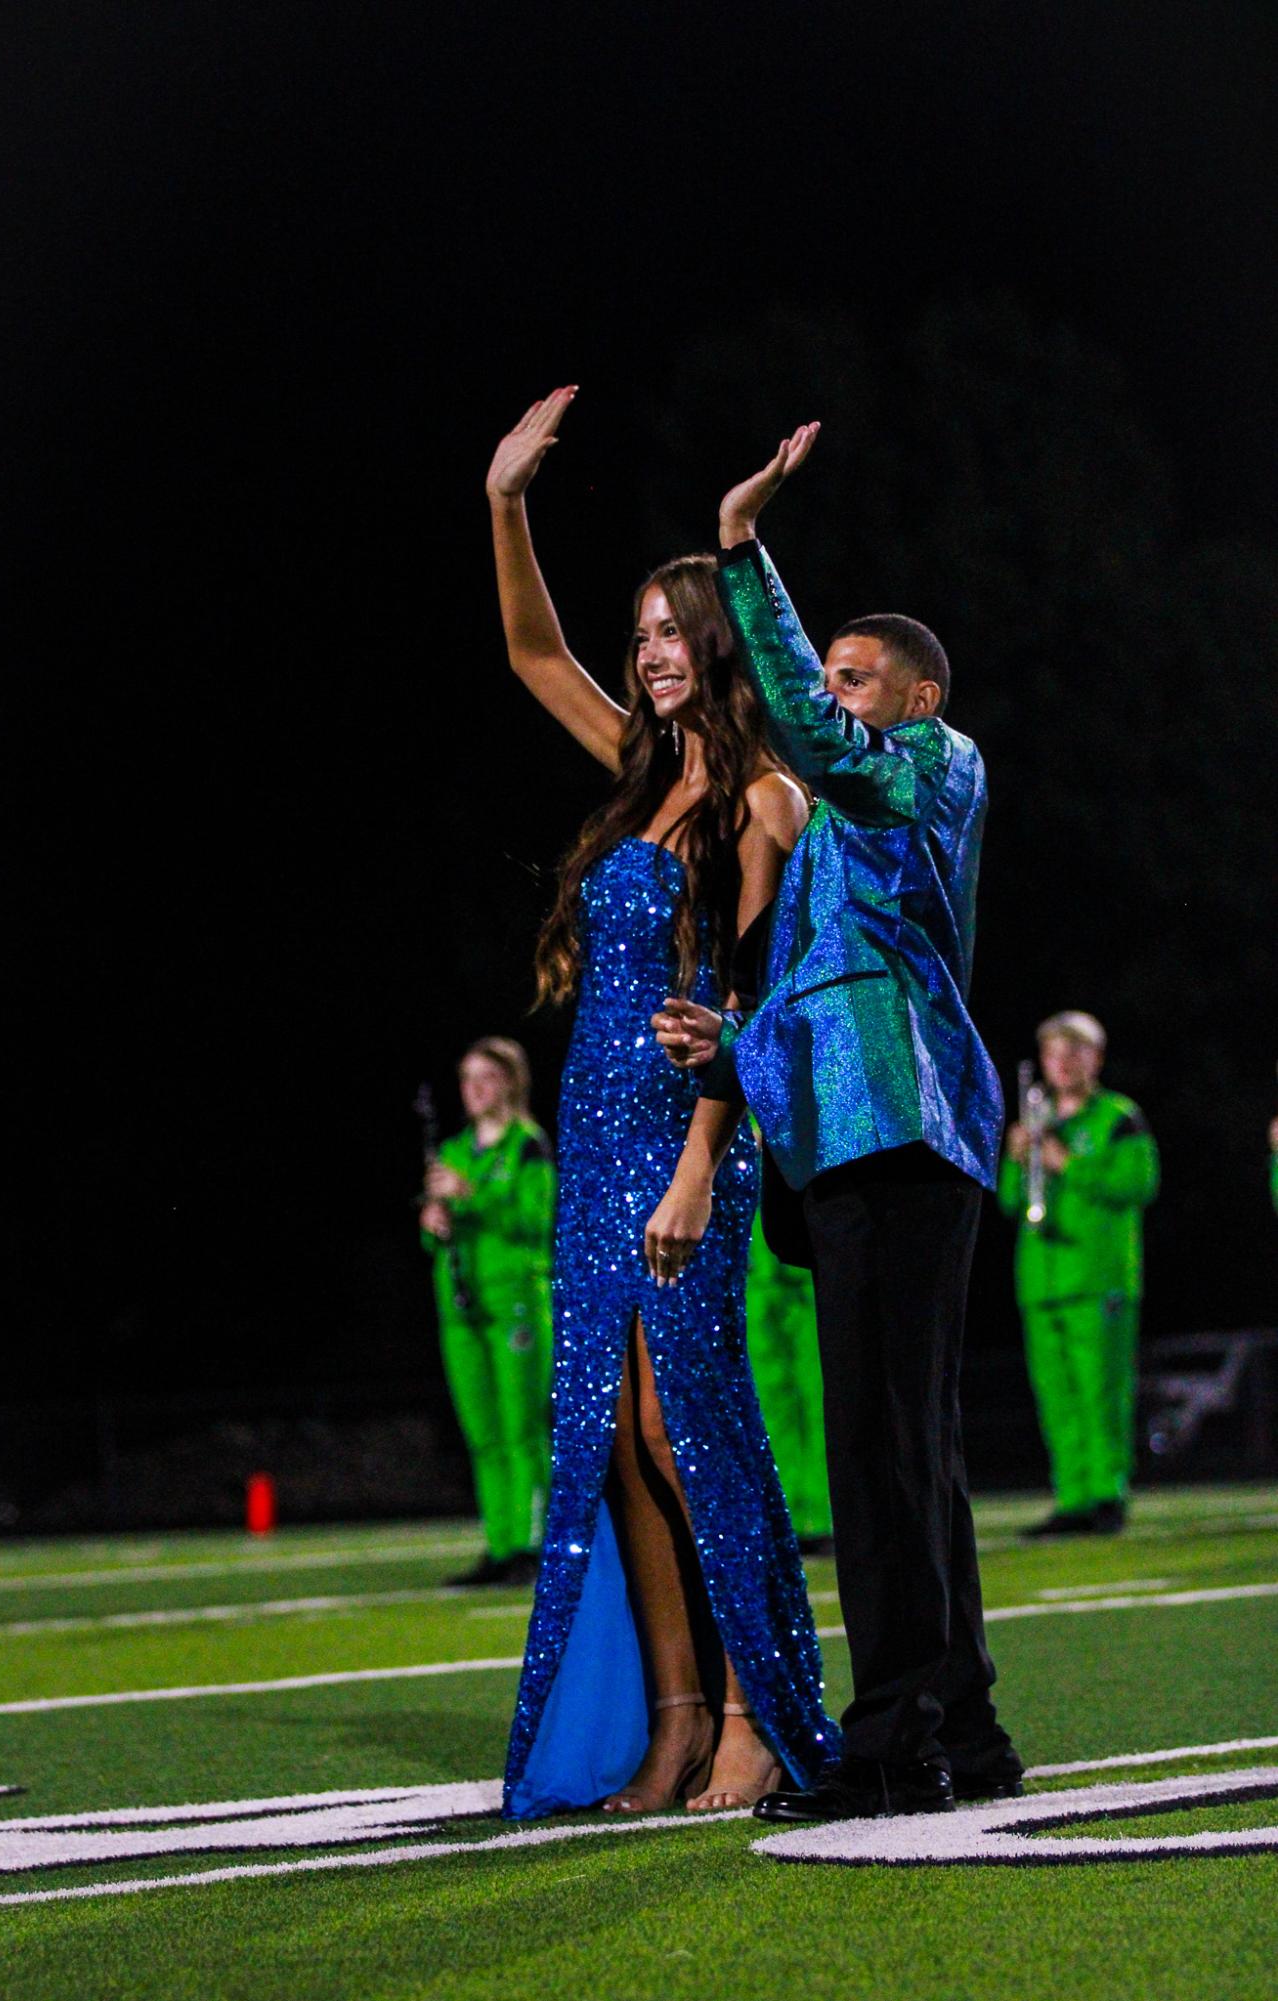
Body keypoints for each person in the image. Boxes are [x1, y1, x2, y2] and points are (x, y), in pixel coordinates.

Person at [654, 421, 1022, 1822]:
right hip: (861, 1134)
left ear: (914, 693)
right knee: (903, 1446)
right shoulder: (841, 842)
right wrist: (733, 1044)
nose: (834, 700)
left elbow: (808, 725)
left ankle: (892, 1743)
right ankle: (959, 1727)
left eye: (857, 680)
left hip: (900, 1129)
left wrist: (742, 550)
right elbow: (818, 992)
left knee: (881, 1448)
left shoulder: (932, 762)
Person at [486, 388, 833, 1821]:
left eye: (670, 631)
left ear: (719, 641)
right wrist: (504, 499)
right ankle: (677, 1722)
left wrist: (700, 1166)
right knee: (613, 1436)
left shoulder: (763, 799)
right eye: (639, 637)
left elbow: (745, 1003)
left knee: (692, 1427)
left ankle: (759, 1719)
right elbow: (528, 650)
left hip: (692, 1143)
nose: (647, 655)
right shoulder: (636, 782)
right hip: (592, 1134)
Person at [998, 1011, 1160, 1537]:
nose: (1064, 1063)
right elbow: (1008, 1203)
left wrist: (1069, 1163)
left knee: (1102, 1392)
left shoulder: (1118, 1117)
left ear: (1097, 1058)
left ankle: (1106, 1494)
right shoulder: (1037, 1122)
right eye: (1054, 1053)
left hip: (1098, 1279)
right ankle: (1071, 1498)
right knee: (1057, 1397)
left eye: (1076, 1052)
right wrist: (1017, 1160)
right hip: (1042, 1284)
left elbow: (1139, 1184)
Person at [420, 1037, 556, 1585]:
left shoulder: (528, 1146)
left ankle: (537, 1544)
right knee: (483, 1433)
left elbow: (538, 1223)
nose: (473, 1090)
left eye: (485, 1077)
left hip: (516, 1300)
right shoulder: (454, 1149)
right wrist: (434, 1223)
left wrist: (471, 1196)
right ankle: (500, 1544)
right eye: (466, 1079)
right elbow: (441, 1237)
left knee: (523, 1427)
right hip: (461, 1307)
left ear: (510, 1083)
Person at [745, 1143, 834, 1552]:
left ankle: (827, 1517)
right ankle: (790, 1520)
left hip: (803, 1273)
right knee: (773, 1409)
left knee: (819, 1401)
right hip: (759, 1280)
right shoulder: (728, 1115)